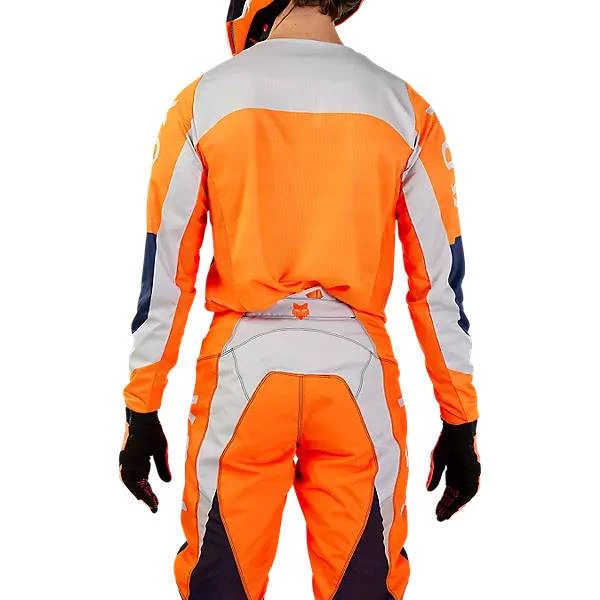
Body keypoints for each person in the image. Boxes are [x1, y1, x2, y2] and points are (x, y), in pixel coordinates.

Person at [119, 1, 481, 598]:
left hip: (241, 372)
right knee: (366, 586)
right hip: (358, 374)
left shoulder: (204, 100)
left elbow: (166, 272)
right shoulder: (405, 107)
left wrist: (142, 407)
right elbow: (438, 287)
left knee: (219, 584)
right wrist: (460, 419)